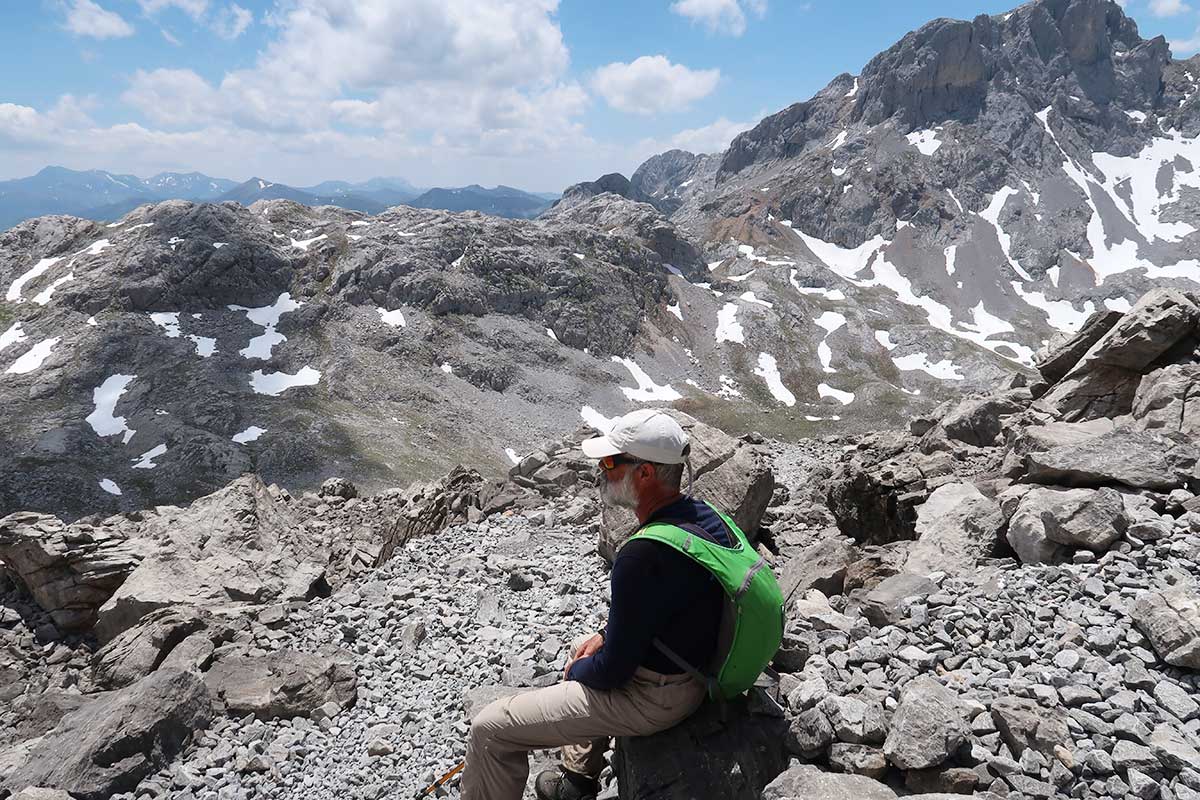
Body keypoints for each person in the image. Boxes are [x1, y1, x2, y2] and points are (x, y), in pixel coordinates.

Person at [461, 409, 755, 800]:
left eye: (611, 462)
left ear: (646, 474)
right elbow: (672, 603)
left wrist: (577, 671)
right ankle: (577, 781)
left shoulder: (641, 554)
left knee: (489, 728)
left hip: (656, 699)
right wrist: (602, 637)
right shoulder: (701, 517)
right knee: (585, 643)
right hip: (694, 674)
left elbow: (614, 672)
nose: (601, 471)